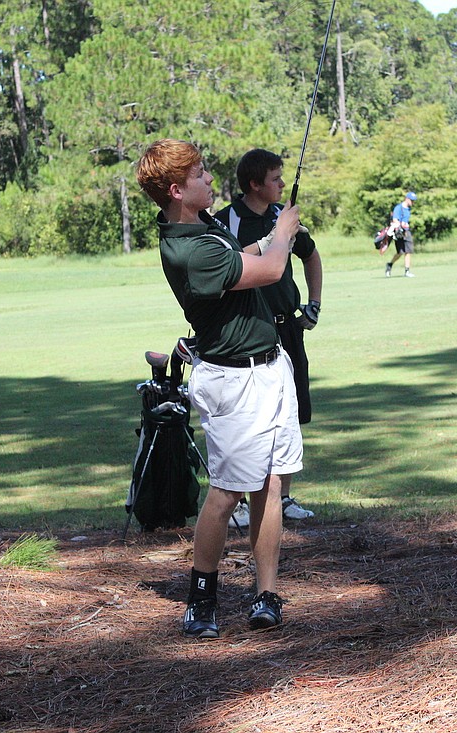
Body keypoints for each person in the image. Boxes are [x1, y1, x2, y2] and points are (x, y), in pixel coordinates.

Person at [136, 139, 304, 639]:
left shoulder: (201, 226)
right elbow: (271, 269)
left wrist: (266, 238)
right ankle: (201, 600)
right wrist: (283, 232)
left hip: (271, 368)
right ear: (176, 189)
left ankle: (265, 594)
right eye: (201, 175)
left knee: (272, 483)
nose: (211, 181)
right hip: (235, 382)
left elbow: (242, 256)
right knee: (229, 491)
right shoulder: (189, 248)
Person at [214, 149, 321, 528]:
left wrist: (314, 303)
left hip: (287, 327)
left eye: (281, 178)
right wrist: (271, 240)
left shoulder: (284, 217)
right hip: (247, 332)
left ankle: (285, 496)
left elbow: (310, 255)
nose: (281, 184)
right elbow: (227, 266)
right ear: (255, 184)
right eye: (275, 179)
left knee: (290, 412)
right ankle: (239, 503)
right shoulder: (224, 220)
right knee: (246, 418)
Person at [385, 191, 417, 278]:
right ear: (407, 199)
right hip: (399, 232)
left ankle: (407, 271)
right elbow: (395, 219)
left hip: (406, 232)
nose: (413, 202)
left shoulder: (408, 209)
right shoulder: (399, 208)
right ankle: (389, 264)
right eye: (411, 200)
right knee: (400, 252)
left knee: (408, 251)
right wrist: (399, 226)